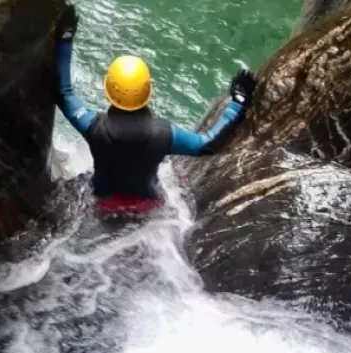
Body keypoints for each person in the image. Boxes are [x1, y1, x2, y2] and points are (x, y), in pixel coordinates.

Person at [53, 3, 256, 215]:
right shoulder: (164, 134)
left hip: (102, 204)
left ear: (109, 90)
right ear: (147, 90)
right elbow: (208, 144)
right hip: (148, 208)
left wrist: (65, 37)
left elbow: (64, 94)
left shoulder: (93, 127)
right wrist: (239, 101)